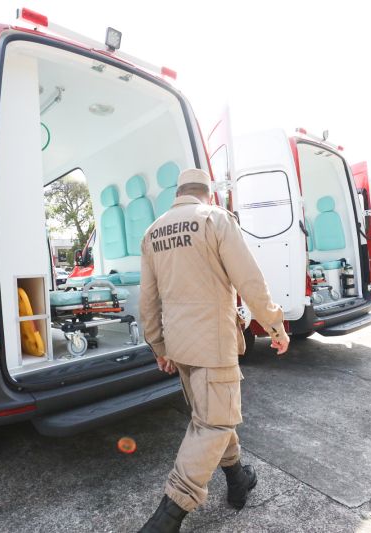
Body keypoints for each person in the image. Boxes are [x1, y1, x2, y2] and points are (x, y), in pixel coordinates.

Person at [138, 168, 289, 532]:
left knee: (212, 415)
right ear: (208, 193)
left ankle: (238, 479)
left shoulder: (153, 232)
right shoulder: (215, 219)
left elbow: (148, 300)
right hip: (214, 344)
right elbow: (249, 280)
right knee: (215, 422)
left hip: (180, 346)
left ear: (178, 193)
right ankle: (166, 517)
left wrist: (159, 346)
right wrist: (275, 325)